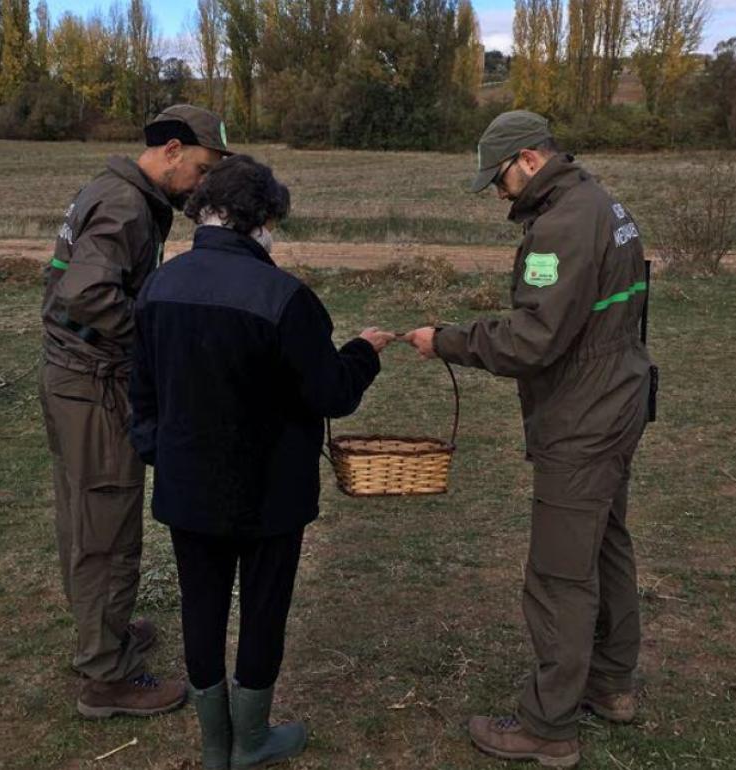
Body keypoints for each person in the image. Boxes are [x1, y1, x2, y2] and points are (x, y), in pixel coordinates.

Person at [403, 110, 654, 767]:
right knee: (605, 545)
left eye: (501, 177)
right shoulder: (602, 204)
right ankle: (610, 684)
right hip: (617, 400)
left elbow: (534, 337)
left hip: (582, 419)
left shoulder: (563, 225)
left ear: (532, 160)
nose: (498, 192)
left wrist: (448, 341)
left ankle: (548, 724)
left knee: (557, 573)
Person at [130, 154, 393, 770]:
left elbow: (140, 392)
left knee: (201, 605)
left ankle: (215, 745)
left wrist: (158, 453)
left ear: (206, 213)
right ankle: (248, 741)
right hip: (270, 494)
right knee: (263, 609)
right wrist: (363, 351)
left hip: (188, 486)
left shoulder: (158, 286)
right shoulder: (285, 298)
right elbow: (332, 393)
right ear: (263, 217)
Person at [39, 104, 229, 719]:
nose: (201, 185)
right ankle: (106, 677)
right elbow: (86, 293)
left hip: (75, 378)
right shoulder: (124, 204)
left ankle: (106, 636)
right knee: (106, 531)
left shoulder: (116, 191)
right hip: (93, 387)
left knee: (87, 516)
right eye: (200, 169)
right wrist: (153, 338)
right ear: (171, 151)